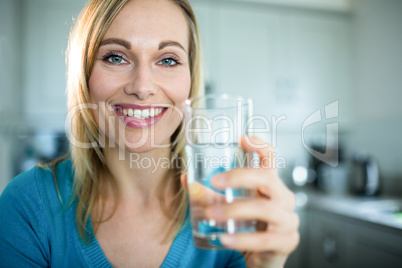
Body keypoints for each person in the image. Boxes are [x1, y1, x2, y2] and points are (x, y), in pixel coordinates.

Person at [0, 0, 299, 267]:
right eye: (116, 57)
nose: (142, 87)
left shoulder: (226, 210)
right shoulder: (27, 205)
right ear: (85, 75)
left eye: (168, 60)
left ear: (190, 81)